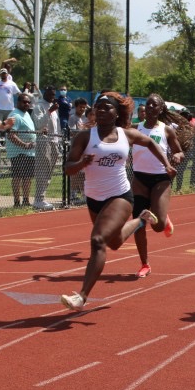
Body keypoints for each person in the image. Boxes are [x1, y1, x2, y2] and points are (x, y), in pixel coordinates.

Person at [59, 92, 176, 312]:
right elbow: (67, 168)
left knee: (98, 240)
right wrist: (82, 162)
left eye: (107, 107)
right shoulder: (85, 137)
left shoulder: (126, 135)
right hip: (94, 197)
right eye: (98, 107)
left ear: (117, 113)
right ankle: (141, 220)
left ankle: (81, 297)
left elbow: (151, 142)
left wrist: (167, 165)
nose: (101, 111)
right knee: (113, 243)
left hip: (120, 195)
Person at [131, 93, 190, 277]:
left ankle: (163, 220)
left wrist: (176, 157)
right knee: (138, 223)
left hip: (161, 179)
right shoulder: (135, 129)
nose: (150, 108)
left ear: (160, 109)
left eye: (154, 105)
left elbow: (179, 152)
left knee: (157, 226)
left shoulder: (166, 130)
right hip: (139, 178)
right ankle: (144, 264)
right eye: (147, 104)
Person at [5, 91, 46, 210]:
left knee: (27, 177)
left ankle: (26, 200)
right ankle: (17, 201)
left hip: (29, 151)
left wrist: (39, 132)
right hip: (18, 152)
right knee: (18, 177)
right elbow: (11, 134)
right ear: (18, 102)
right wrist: (24, 145)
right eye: (24, 102)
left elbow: (29, 131)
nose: (27, 104)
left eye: (28, 102)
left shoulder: (27, 114)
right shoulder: (15, 115)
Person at [31, 86, 61, 211]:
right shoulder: (39, 106)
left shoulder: (54, 107)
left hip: (54, 141)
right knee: (43, 169)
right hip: (44, 141)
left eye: (54, 94)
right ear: (44, 93)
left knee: (49, 171)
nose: (52, 96)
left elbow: (56, 125)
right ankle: (38, 199)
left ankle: (42, 197)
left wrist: (58, 140)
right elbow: (39, 124)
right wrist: (49, 111)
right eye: (49, 93)